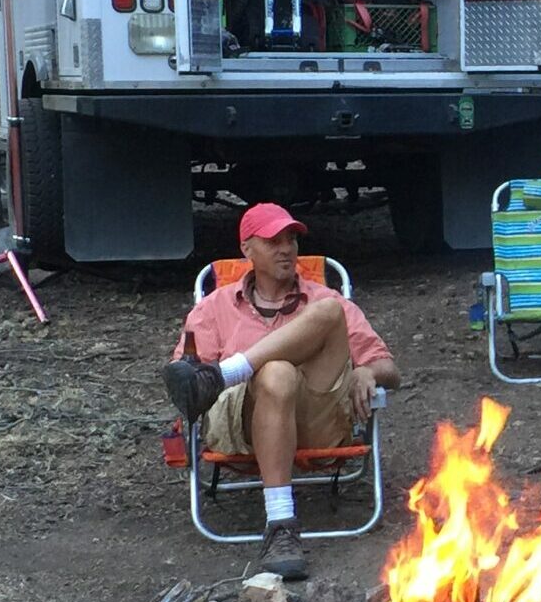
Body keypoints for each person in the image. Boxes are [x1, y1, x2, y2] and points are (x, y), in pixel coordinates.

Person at [164, 203, 399, 578]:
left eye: (291, 239)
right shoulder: (214, 308)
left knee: (329, 313)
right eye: (273, 241)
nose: (287, 249)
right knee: (276, 374)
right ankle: (281, 523)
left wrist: (366, 371)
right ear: (247, 249)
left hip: (316, 419)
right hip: (242, 426)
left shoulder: (323, 299)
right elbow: (186, 382)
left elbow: (390, 369)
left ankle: (229, 371)